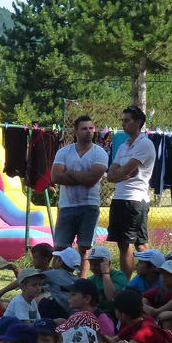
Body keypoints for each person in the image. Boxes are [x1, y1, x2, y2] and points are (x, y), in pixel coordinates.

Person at [50, 115, 109, 275]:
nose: (88, 132)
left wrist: (68, 172)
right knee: (60, 248)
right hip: (66, 206)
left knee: (84, 249)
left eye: (91, 128)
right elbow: (55, 177)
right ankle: (59, 279)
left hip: (89, 206)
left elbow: (91, 180)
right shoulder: (64, 152)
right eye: (84, 129)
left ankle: (81, 282)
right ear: (76, 131)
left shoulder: (100, 153)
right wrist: (81, 176)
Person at [105, 105, 156, 277]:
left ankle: (130, 283)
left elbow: (125, 171)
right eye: (123, 121)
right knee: (130, 243)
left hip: (134, 200)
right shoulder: (124, 146)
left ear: (138, 122)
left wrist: (118, 174)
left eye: (127, 121)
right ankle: (145, 280)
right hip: (119, 198)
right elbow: (111, 175)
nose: (123, 124)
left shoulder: (145, 144)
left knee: (130, 244)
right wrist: (118, 174)